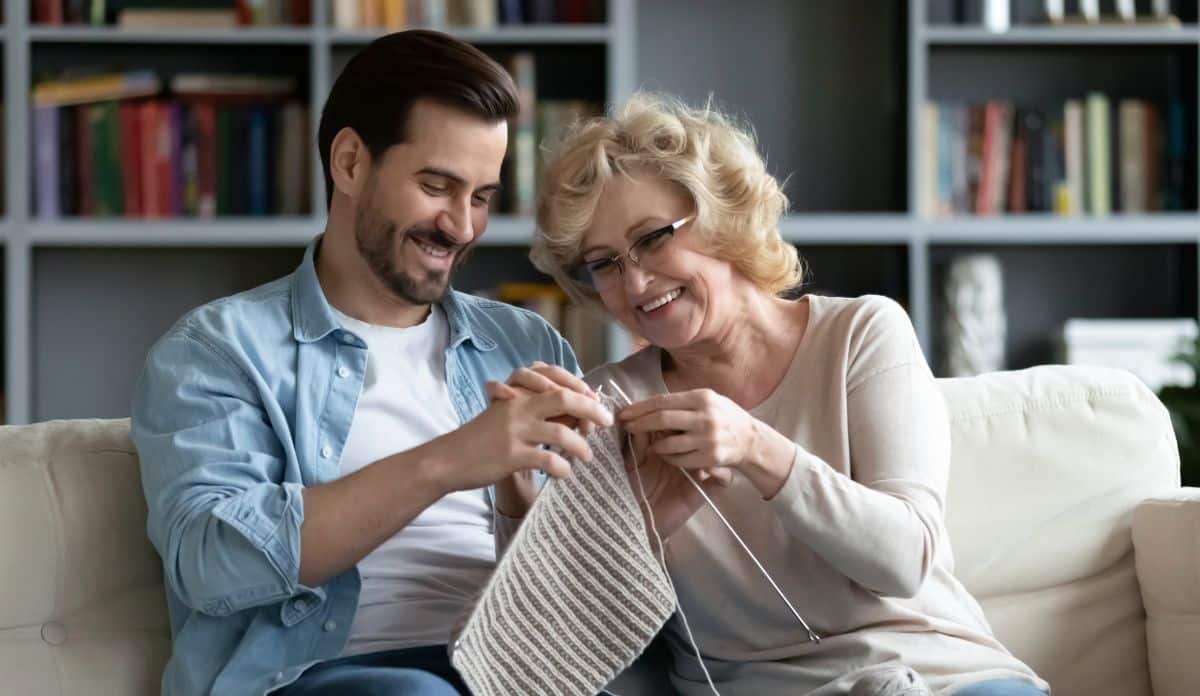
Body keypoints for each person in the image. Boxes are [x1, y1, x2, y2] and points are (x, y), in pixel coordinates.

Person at [131, 30, 611, 696]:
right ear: (351, 162)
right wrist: (447, 461)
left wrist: (520, 506)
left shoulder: (525, 343)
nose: (462, 226)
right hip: (322, 675)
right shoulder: (218, 351)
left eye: (480, 197)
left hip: (511, 666)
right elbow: (213, 564)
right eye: (437, 185)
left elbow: (581, 592)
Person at [530, 93, 1050, 696]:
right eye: (605, 264)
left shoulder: (860, 333)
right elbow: (569, 636)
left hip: (941, 678)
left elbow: (904, 560)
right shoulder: (611, 402)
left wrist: (756, 447)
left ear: (722, 215)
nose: (635, 282)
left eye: (651, 240)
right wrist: (634, 523)